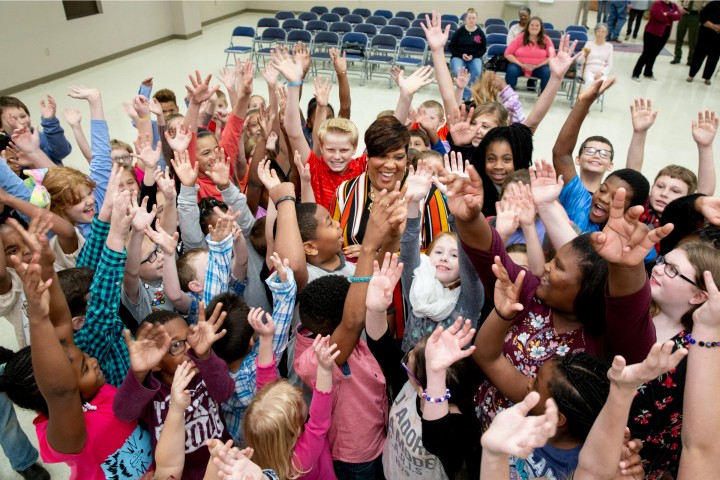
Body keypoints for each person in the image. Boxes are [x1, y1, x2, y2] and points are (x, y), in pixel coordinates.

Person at [632, 0, 685, 81]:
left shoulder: (673, 5)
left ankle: (648, 73)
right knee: (646, 53)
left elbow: (678, 17)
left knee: (654, 54)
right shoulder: (657, 4)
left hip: (664, 33)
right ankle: (636, 73)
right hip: (652, 32)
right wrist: (671, 14)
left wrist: (667, 13)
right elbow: (660, 17)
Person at [504, 17, 555, 92]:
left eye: (537, 25)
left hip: (539, 67)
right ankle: (509, 96)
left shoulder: (546, 39)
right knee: (511, 70)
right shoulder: (520, 37)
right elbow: (507, 53)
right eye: (532, 25)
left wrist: (537, 66)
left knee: (546, 72)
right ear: (528, 26)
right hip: (519, 66)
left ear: (541, 28)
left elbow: (552, 56)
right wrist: (521, 64)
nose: (534, 27)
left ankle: (543, 97)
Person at [449, 8, 486, 101]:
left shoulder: (480, 33)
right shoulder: (459, 31)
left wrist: (473, 56)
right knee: (459, 71)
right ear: (466, 19)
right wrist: (461, 55)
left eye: (473, 18)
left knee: (477, 71)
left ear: (476, 19)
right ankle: (462, 93)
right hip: (458, 56)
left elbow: (483, 49)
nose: (471, 20)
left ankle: (467, 95)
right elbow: (451, 46)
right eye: (469, 18)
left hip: (474, 57)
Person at [687, 1, 720, 85]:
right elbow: (702, 17)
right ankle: (691, 75)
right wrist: (713, 26)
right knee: (699, 55)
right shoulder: (713, 4)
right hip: (705, 34)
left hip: (718, 38)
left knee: (713, 58)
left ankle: (707, 77)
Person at [578, 23, 614, 87]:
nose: (600, 34)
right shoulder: (589, 44)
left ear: (606, 34)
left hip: (601, 72)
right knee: (590, 81)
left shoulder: (609, 46)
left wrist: (601, 73)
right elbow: (580, 61)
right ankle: (587, 97)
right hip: (588, 70)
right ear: (595, 33)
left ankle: (593, 96)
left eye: (603, 32)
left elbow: (609, 64)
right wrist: (584, 56)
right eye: (598, 31)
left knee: (600, 82)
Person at [672, 0, 703, 64]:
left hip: (695, 16)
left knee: (693, 39)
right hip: (684, 15)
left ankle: (691, 59)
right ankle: (677, 57)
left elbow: (708, 4)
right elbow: (680, 1)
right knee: (679, 36)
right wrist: (680, 7)